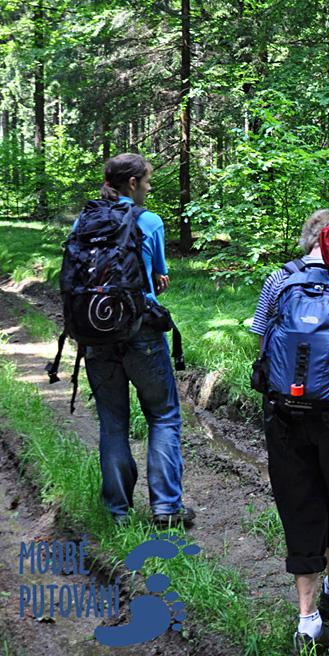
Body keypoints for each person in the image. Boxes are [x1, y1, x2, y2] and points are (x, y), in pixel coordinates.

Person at [249, 209, 329, 654]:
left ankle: (307, 619)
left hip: (283, 412)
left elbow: (261, 338)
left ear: (307, 240)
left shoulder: (278, 280)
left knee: (300, 502)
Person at [81, 153, 193, 528]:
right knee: (163, 416)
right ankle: (166, 508)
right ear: (131, 183)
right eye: (146, 180)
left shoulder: (86, 220)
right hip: (141, 331)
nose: (148, 186)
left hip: (96, 333)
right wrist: (154, 278)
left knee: (112, 422)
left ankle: (118, 513)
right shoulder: (149, 221)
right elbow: (158, 274)